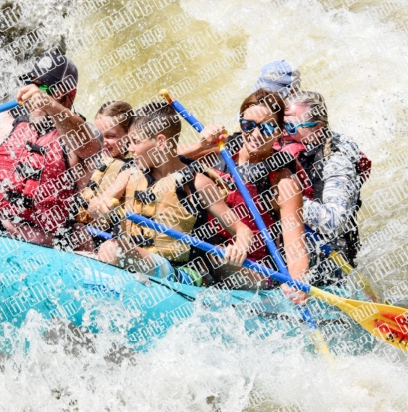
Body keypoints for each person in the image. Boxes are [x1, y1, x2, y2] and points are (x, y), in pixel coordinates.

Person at [87, 101, 253, 287]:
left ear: (160, 142)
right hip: (138, 260)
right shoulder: (130, 174)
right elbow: (93, 209)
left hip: (182, 274)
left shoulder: (197, 182)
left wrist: (239, 247)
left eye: (136, 142)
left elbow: (242, 230)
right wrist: (101, 208)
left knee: (111, 249)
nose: (130, 149)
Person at [0, 51, 102, 249]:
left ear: (70, 95)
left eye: (44, 88)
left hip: (44, 243)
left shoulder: (81, 135)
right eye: (33, 85)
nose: (35, 93)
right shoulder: (16, 123)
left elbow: (88, 147)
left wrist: (50, 105)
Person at [201, 89, 310, 291]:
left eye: (268, 128)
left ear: (279, 131)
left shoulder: (283, 182)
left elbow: (296, 250)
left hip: (255, 271)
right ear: (240, 123)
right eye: (248, 125)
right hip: (209, 251)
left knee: (216, 259)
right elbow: (164, 162)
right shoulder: (220, 152)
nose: (256, 135)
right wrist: (201, 143)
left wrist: (297, 283)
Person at [281, 90, 371, 283]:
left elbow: (334, 219)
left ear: (317, 130)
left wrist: (288, 203)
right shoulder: (283, 146)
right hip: (290, 244)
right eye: (279, 124)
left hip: (328, 260)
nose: (281, 132)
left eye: (289, 126)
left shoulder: (337, 163)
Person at [76, 101, 135, 234]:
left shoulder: (132, 168)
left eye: (111, 136)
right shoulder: (82, 155)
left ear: (129, 136)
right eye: (98, 134)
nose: (102, 141)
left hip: (97, 236)